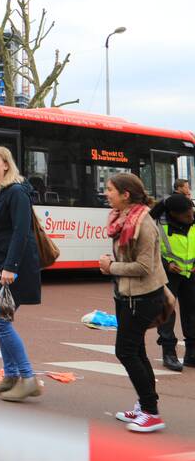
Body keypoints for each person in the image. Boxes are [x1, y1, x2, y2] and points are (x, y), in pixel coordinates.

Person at [0, 146, 42, 403]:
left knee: (0, 322)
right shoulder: (0, 192)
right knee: (2, 323)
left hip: (12, 268)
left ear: (5, 165)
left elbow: (21, 232)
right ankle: (10, 377)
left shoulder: (16, 193)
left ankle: (28, 378)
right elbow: (7, 227)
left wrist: (11, 266)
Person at [100, 172, 169, 433]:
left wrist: (111, 266)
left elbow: (144, 266)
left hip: (143, 297)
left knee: (126, 351)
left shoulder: (144, 223)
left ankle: (151, 413)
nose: (106, 194)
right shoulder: (123, 219)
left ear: (125, 194)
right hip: (127, 295)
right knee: (136, 350)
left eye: (110, 190)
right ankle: (145, 404)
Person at [155, 194, 195, 372]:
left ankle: (191, 354)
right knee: (167, 312)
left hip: (191, 273)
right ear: (173, 213)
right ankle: (169, 353)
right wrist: (166, 265)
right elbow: (149, 249)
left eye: (192, 213)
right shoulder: (158, 224)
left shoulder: (193, 218)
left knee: (192, 313)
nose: (191, 218)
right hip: (168, 274)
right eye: (186, 216)